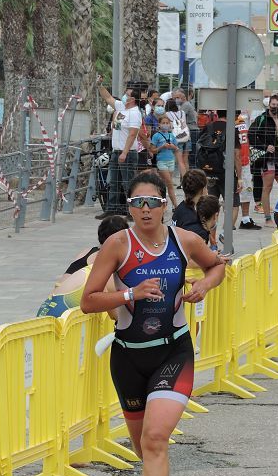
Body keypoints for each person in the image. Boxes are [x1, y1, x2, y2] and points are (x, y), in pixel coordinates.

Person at [80, 170, 226, 476]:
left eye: (152, 203)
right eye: (136, 204)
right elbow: (88, 301)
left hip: (172, 352)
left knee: (156, 439)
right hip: (128, 356)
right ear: (128, 208)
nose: (144, 210)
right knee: (143, 446)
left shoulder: (185, 240)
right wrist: (129, 292)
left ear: (165, 204)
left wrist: (203, 287)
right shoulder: (117, 244)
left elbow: (217, 266)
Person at [36, 215, 127, 318]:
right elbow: (110, 297)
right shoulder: (104, 259)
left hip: (48, 306)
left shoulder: (86, 252)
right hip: (65, 316)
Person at [96, 77, 145, 218]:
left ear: (132, 99)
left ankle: (132, 211)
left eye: (127, 95)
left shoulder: (135, 113)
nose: (124, 96)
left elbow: (132, 134)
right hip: (116, 151)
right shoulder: (121, 107)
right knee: (114, 182)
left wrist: (124, 152)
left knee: (128, 183)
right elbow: (108, 98)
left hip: (127, 153)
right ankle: (112, 208)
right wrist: (100, 85)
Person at [248, 94, 278, 226]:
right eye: (273, 105)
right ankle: (268, 218)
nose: (275, 107)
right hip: (267, 159)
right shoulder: (262, 118)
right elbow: (251, 134)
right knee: (267, 187)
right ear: (269, 105)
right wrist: (265, 147)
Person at [234, 112, 261, 229]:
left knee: (246, 190)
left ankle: (245, 218)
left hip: (243, 160)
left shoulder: (241, 122)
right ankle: (244, 219)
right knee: (244, 190)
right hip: (240, 161)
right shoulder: (239, 123)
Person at [150, 114, 179, 205]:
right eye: (163, 123)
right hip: (161, 161)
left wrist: (172, 146)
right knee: (170, 183)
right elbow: (152, 150)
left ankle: (161, 202)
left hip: (171, 161)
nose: (165, 124)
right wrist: (162, 146)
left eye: (167, 123)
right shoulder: (156, 136)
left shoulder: (171, 135)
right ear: (159, 124)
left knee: (164, 183)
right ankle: (175, 205)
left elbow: (176, 148)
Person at [164, 98, 190, 176]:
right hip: (187, 137)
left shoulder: (167, 114)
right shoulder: (182, 112)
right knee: (185, 161)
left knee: (179, 161)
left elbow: (168, 127)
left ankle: (183, 180)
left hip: (177, 138)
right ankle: (187, 180)